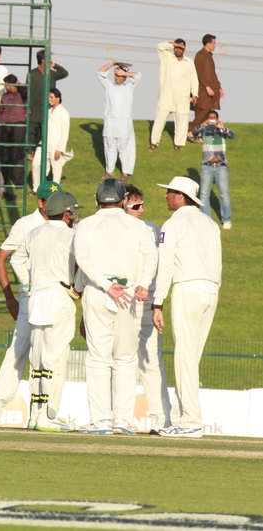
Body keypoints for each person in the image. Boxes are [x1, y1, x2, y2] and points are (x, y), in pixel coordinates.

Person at [73, 178, 158, 435]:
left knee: (98, 358)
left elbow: (82, 259)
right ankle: (121, 420)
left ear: (97, 201)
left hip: (98, 293)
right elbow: (151, 255)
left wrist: (105, 284)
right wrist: (142, 284)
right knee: (126, 358)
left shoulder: (85, 224)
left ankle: (101, 421)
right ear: (123, 200)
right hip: (128, 294)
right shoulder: (138, 226)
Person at [0, 181, 62, 428]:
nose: (59, 206)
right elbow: (1, 259)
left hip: (56, 297)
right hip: (30, 298)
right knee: (18, 351)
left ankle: (42, 414)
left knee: (50, 356)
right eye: (52, 201)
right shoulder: (26, 224)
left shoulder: (66, 223)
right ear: (40, 202)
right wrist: (9, 297)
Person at [152, 176, 221, 438]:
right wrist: (213, 289)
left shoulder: (173, 223)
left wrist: (157, 302)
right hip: (210, 289)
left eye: (169, 192)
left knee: (185, 356)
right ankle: (183, 418)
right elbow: (219, 263)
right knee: (191, 357)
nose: (166, 196)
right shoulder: (210, 223)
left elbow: (165, 264)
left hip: (187, 287)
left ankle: (190, 421)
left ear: (181, 196)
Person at [10, 191, 81, 432]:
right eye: (72, 210)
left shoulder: (33, 232)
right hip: (59, 297)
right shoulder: (72, 235)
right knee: (57, 357)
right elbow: (84, 263)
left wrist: (28, 284)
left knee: (38, 358)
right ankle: (49, 415)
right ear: (65, 212)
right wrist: (77, 289)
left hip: (37, 298)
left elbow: (16, 260)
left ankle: (35, 414)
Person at [123, 184, 172, 432]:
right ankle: (118, 417)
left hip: (148, 301)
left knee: (152, 362)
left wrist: (157, 303)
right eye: (136, 206)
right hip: (123, 302)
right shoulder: (115, 230)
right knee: (122, 360)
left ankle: (163, 418)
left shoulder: (153, 229)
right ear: (122, 206)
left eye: (142, 204)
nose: (142, 210)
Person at [150, 40, 198, 151]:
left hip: (182, 96)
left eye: (180, 48)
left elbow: (194, 79)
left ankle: (178, 144)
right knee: (159, 119)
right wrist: (172, 43)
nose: (178, 50)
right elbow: (160, 46)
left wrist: (195, 94)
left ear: (184, 49)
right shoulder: (167, 57)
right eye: (176, 48)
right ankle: (154, 142)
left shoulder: (189, 62)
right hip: (166, 94)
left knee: (182, 119)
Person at [97, 61, 141, 181]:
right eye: (116, 75)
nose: (117, 78)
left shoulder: (129, 87)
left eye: (120, 76)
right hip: (110, 122)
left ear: (124, 77)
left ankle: (125, 172)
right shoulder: (109, 86)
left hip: (123, 123)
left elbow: (138, 75)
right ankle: (109, 171)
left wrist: (124, 73)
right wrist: (111, 64)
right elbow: (100, 73)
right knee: (111, 147)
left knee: (122, 148)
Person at [192, 110, 235, 229]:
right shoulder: (204, 131)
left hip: (221, 167)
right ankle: (206, 219)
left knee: (224, 194)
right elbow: (192, 134)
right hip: (207, 166)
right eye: (209, 118)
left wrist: (223, 127)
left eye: (214, 118)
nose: (212, 120)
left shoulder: (222, 131)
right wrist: (202, 124)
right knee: (204, 194)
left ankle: (226, 219)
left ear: (218, 119)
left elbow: (233, 135)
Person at [25, 50, 68, 148]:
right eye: (49, 58)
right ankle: (29, 152)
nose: (51, 60)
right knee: (31, 131)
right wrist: (28, 106)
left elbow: (64, 73)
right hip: (34, 108)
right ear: (43, 60)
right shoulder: (32, 73)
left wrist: (55, 65)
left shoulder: (52, 74)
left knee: (44, 132)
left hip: (48, 108)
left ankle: (41, 151)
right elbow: (28, 91)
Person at [31, 89, 70, 193]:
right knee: (36, 164)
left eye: (52, 97)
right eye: (49, 97)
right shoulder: (48, 112)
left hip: (55, 144)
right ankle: (36, 189)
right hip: (44, 142)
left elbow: (65, 132)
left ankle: (55, 189)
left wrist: (60, 149)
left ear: (58, 98)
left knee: (56, 168)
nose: (49, 100)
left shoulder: (63, 113)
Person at [190, 34, 225, 136]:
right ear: (208, 43)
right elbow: (199, 73)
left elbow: (213, 74)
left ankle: (203, 134)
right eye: (213, 43)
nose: (215, 45)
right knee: (203, 109)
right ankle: (190, 131)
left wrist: (219, 87)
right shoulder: (200, 55)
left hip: (212, 89)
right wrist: (207, 87)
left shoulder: (209, 56)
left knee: (207, 112)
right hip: (202, 89)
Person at [0, 74, 27, 186]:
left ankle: (18, 181)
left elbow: (27, 92)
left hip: (18, 124)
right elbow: (0, 111)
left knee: (17, 153)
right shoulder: (4, 96)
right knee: (3, 153)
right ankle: (3, 180)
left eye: (7, 84)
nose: (5, 86)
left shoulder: (21, 94)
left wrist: (18, 84)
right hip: (4, 125)